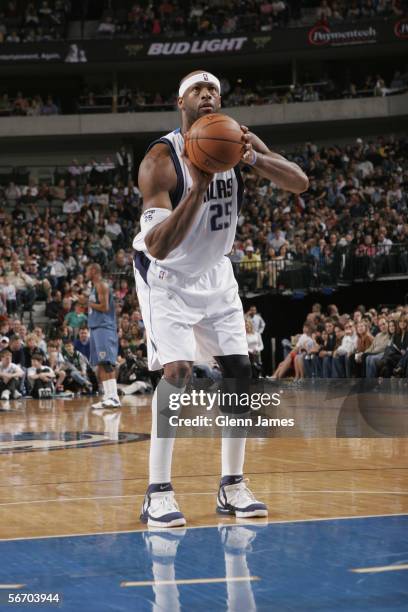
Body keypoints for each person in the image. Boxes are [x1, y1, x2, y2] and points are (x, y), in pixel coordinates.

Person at [133, 69, 308, 527]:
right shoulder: (159, 159)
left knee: (239, 371)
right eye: (197, 89)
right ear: (182, 103)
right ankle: (158, 492)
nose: (208, 95)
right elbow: (158, 246)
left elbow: (299, 182)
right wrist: (201, 185)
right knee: (177, 370)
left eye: (214, 89)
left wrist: (254, 160)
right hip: (166, 275)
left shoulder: (236, 139)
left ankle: (232, 485)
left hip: (215, 272)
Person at [85, 263, 120, 409]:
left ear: (93, 271)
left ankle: (113, 397)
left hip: (104, 328)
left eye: (87, 270)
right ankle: (107, 396)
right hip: (96, 328)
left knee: (106, 362)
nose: (85, 273)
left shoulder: (102, 285)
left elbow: (104, 307)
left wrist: (87, 303)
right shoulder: (94, 287)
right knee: (100, 362)